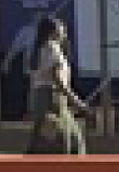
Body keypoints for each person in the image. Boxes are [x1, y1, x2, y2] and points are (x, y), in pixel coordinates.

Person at [25, 13, 88, 155]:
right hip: (52, 99)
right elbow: (57, 79)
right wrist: (76, 101)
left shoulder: (41, 48)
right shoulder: (52, 48)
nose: (64, 33)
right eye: (61, 29)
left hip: (47, 98)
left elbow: (36, 80)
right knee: (62, 140)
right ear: (53, 32)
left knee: (69, 138)